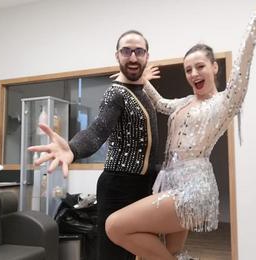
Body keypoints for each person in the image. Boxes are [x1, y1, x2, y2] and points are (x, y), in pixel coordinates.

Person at [105, 1, 256, 259]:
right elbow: (160, 104)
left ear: (214, 67)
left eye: (200, 66)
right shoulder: (184, 102)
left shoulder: (225, 102)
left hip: (194, 189)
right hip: (169, 183)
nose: (194, 73)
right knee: (162, 253)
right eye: (188, 69)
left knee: (114, 226)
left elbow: (245, 56)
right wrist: (138, 79)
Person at [28, 30, 159, 260]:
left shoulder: (140, 89)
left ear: (147, 56)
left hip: (142, 187)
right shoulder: (115, 94)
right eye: (126, 51)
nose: (132, 57)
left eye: (139, 51)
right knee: (114, 255)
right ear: (116, 55)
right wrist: (73, 148)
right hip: (119, 189)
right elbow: (97, 130)